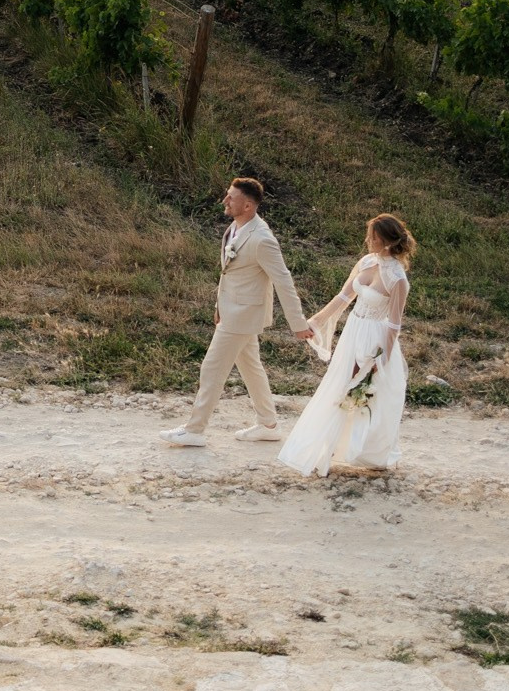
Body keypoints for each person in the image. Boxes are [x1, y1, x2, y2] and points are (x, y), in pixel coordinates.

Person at [161, 177, 311, 448]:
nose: (225, 200)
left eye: (231, 197)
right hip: (231, 312)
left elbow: (283, 280)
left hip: (243, 314)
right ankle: (268, 425)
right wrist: (219, 307)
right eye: (227, 195)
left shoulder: (263, 239)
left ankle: (195, 430)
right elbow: (229, 275)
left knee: (212, 368)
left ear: (248, 206)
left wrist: (297, 323)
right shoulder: (235, 228)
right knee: (251, 368)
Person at [278, 214, 414, 477]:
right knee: (339, 384)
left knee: (358, 392)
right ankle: (325, 448)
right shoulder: (366, 262)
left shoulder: (398, 279)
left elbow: (394, 325)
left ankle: (348, 450)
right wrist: (316, 322)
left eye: (372, 236)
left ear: (385, 241)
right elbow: (343, 297)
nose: (367, 240)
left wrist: (380, 361)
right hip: (353, 331)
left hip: (374, 339)